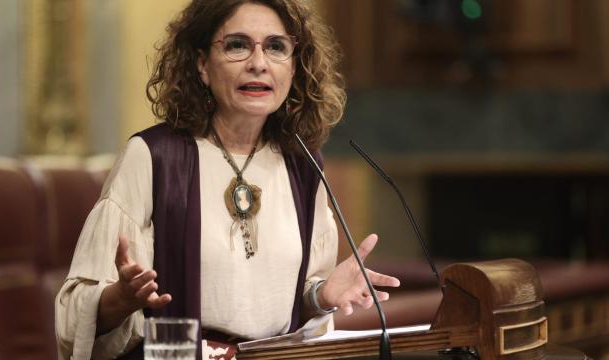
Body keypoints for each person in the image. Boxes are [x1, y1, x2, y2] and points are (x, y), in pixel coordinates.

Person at [55, 0, 400, 358]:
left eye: (276, 47)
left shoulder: (303, 165)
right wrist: (120, 299)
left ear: (294, 67)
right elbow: (73, 313)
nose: (258, 63)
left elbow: (295, 303)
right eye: (237, 45)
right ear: (202, 65)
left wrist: (320, 295)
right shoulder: (154, 156)